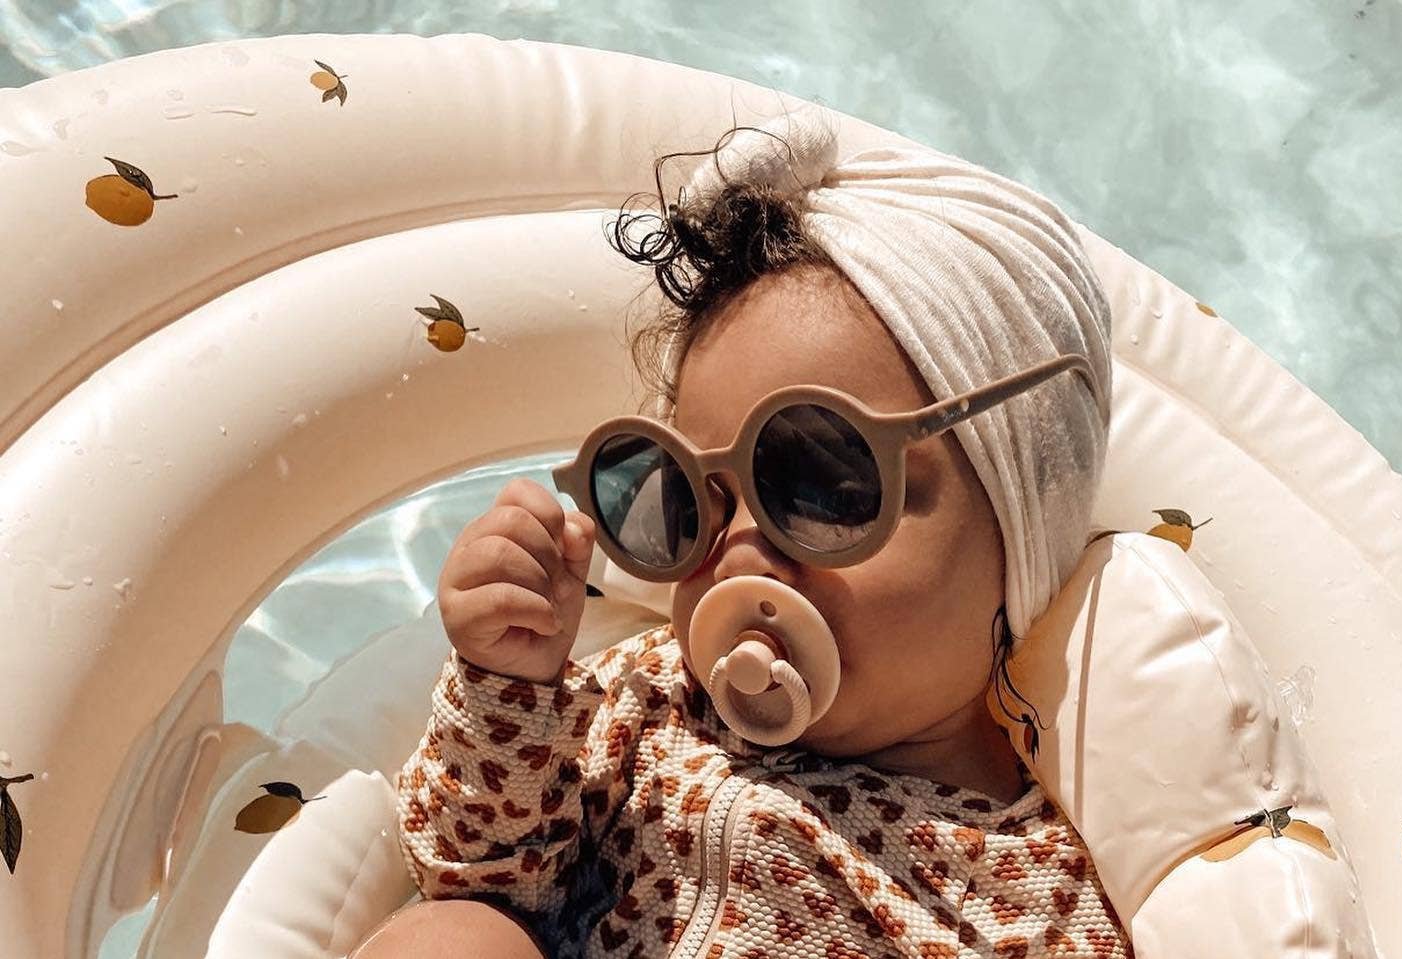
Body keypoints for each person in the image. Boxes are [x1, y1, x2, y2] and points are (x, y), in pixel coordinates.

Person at [352, 106, 1128, 958]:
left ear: (1022, 531)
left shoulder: (1030, 897)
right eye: (691, 501)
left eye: (824, 483)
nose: (740, 551)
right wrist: (509, 687)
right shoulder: (647, 701)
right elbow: (484, 869)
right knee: (452, 938)